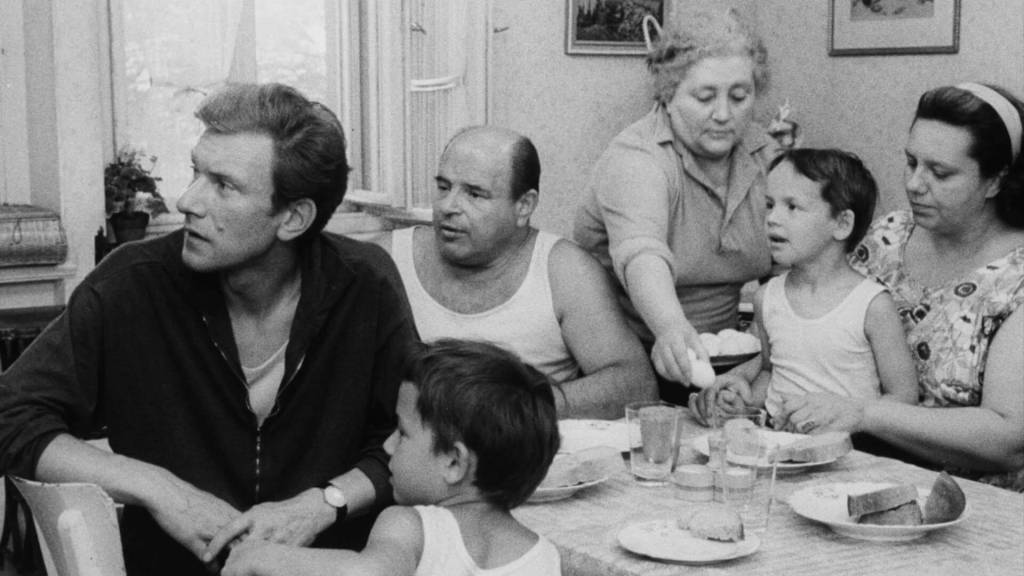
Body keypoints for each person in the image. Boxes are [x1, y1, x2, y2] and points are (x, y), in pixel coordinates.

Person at [0, 83, 417, 574]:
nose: (187, 201)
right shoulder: (130, 283)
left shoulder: (365, 284)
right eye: (196, 172)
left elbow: (425, 436)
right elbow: (10, 415)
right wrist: (158, 488)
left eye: (224, 185)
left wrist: (325, 502)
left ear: (293, 217)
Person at [777, 84, 1024, 490]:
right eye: (911, 163)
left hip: (969, 499)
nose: (914, 184)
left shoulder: (1015, 278)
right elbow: (818, 324)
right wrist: (747, 377)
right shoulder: (888, 235)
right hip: (860, 476)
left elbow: (1009, 439)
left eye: (939, 173)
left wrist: (865, 414)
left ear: (995, 181)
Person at [221, 338, 562, 576]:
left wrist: (265, 557)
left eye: (402, 432)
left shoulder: (411, 526)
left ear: (453, 462)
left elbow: (368, 574)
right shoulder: (544, 556)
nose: (387, 446)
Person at [573, 9, 774, 404]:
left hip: (728, 364)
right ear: (668, 93)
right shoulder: (637, 158)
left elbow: (795, 260)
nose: (723, 115)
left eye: (739, 96)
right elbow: (642, 253)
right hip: (630, 357)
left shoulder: (765, 154)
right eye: (704, 97)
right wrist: (670, 327)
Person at [390, 125, 656, 419]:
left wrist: (510, 410)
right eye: (443, 187)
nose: (448, 206)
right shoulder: (387, 260)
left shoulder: (566, 272)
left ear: (524, 206)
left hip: (522, 441)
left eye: (475, 194)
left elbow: (636, 385)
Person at [690, 148, 918, 428]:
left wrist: (854, 416)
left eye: (792, 207)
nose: (772, 218)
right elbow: (771, 373)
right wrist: (743, 405)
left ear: (842, 224)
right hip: (776, 442)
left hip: (849, 447)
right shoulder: (767, 297)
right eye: (770, 204)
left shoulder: (872, 305)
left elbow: (904, 397)